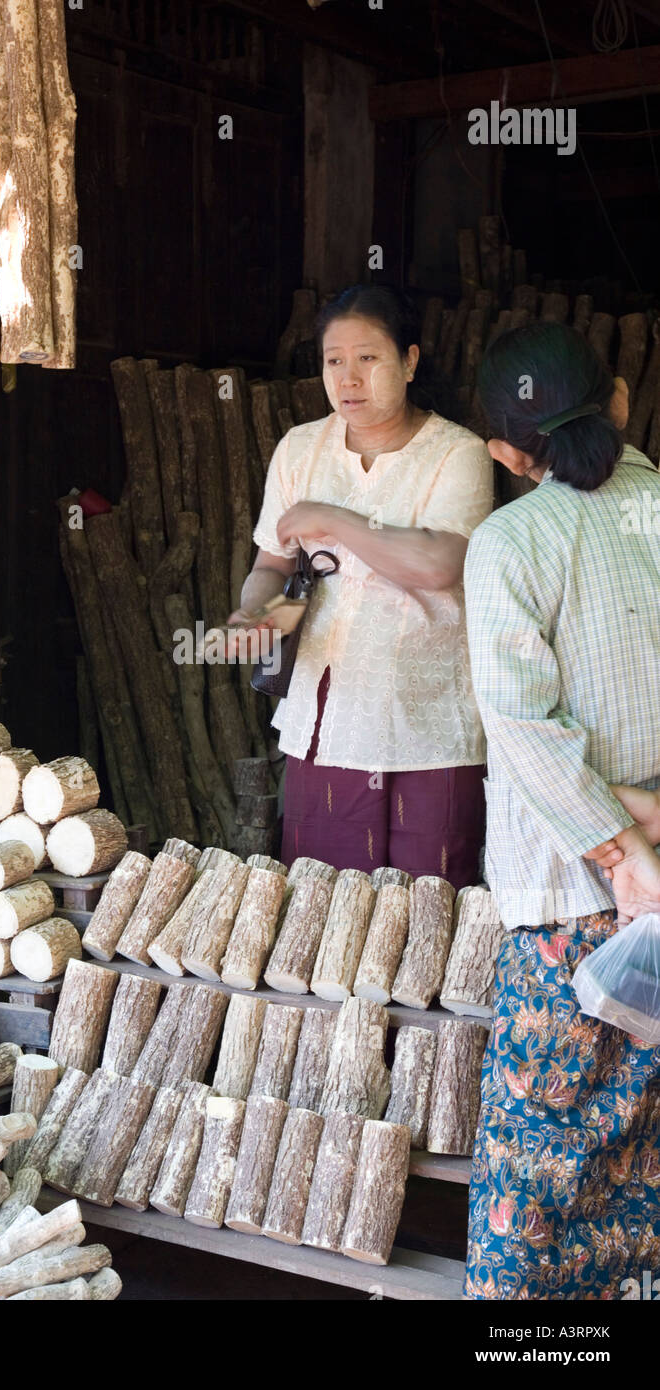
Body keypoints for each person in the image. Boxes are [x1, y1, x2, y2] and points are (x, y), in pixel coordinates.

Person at [462, 320, 660, 1301]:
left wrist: (623, 846)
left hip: (562, 903)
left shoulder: (508, 543)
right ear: (619, 401)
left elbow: (521, 726)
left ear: (503, 451)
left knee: (536, 1189)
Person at [229, 285, 493, 887]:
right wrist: (258, 615)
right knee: (320, 914)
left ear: (410, 361)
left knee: (430, 909)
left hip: (431, 726)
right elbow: (271, 564)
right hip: (327, 721)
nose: (349, 378)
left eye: (368, 358)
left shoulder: (457, 453)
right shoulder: (300, 449)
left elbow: (439, 565)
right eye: (334, 360)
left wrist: (334, 520)